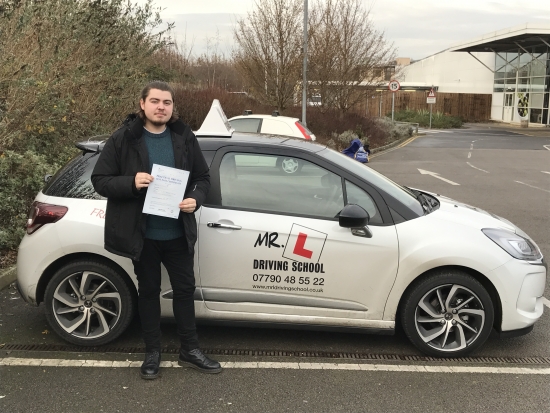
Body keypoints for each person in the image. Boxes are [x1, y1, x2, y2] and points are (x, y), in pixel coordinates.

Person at [91, 80, 221, 379]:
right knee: (148, 292)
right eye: (155, 101)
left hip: (177, 233)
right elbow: (100, 180)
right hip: (143, 235)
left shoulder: (183, 135)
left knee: (185, 291)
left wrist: (195, 199)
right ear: (142, 104)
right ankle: (152, 353)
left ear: (173, 107)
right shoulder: (124, 138)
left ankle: (190, 350)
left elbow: (202, 176)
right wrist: (131, 183)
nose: (161, 107)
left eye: (167, 102)